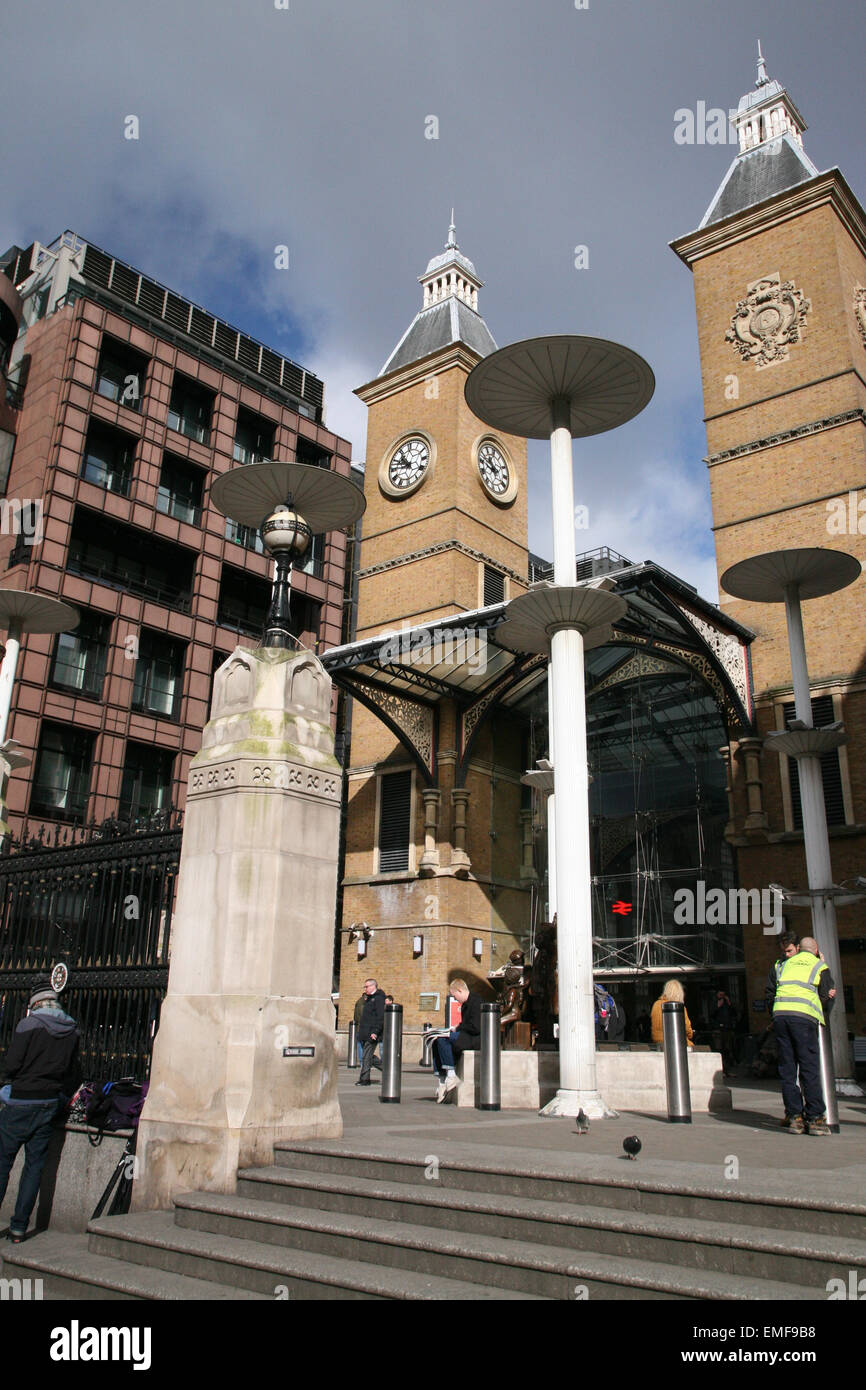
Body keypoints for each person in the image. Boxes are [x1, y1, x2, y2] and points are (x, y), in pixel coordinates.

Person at [0, 985, 82, 1243]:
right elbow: (72, 1070)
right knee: (34, 1167)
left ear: (35, 1003)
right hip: (49, 1102)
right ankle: (19, 1227)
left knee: (3, 1163)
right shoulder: (72, 1030)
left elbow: (12, 1066)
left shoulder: (28, 1025)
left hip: (21, 1101)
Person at [773, 935, 834, 1135]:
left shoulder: (783, 965)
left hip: (781, 1015)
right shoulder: (818, 966)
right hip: (803, 1018)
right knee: (809, 1067)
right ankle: (816, 1118)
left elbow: (772, 988)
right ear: (816, 951)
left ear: (799, 948)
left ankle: (794, 1117)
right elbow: (827, 995)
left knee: (787, 1068)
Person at [431, 979, 482, 1103]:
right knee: (435, 1039)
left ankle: (451, 1074)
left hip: (475, 1038)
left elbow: (476, 1027)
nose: (455, 999)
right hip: (466, 1035)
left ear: (460, 990)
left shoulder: (476, 1002)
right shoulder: (465, 1004)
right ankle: (442, 1080)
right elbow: (465, 1024)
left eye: (455, 996)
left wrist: (457, 1029)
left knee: (443, 1039)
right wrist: (456, 1028)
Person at [355, 978, 386, 1086]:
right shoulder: (369, 999)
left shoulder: (378, 999)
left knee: (366, 1056)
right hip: (365, 1032)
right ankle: (387, 1070)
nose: (365, 988)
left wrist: (375, 1032)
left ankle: (364, 1079)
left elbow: (380, 1017)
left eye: (367, 986)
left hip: (372, 1033)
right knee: (368, 1056)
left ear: (373, 986)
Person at [650, 980, 694, 1047]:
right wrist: (691, 1034)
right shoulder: (679, 1006)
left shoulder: (656, 1004)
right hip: (677, 1043)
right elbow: (687, 1030)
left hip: (659, 1043)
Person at [764, 932, 799, 1013]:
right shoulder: (777, 967)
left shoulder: (806, 964)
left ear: (798, 947)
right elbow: (770, 993)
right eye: (783, 951)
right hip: (782, 1015)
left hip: (804, 1015)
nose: (786, 954)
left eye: (789, 951)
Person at [711, 989, 737, 1077]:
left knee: (728, 1050)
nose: (722, 996)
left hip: (727, 1029)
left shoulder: (727, 1005)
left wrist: (729, 1002)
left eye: (723, 994)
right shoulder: (714, 1003)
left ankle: (727, 1070)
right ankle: (720, 1070)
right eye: (720, 994)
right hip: (718, 1029)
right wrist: (717, 1007)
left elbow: (734, 1013)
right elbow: (711, 1014)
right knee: (719, 1050)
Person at [352, 989, 366, 1065]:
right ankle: (363, 1061)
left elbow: (355, 1017)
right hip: (363, 1028)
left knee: (360, 1044)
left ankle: (362, 1061)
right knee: (363, 1045)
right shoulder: (363, 1004)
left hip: (358, 1027)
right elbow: (363, 1017)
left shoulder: (358, 1002)